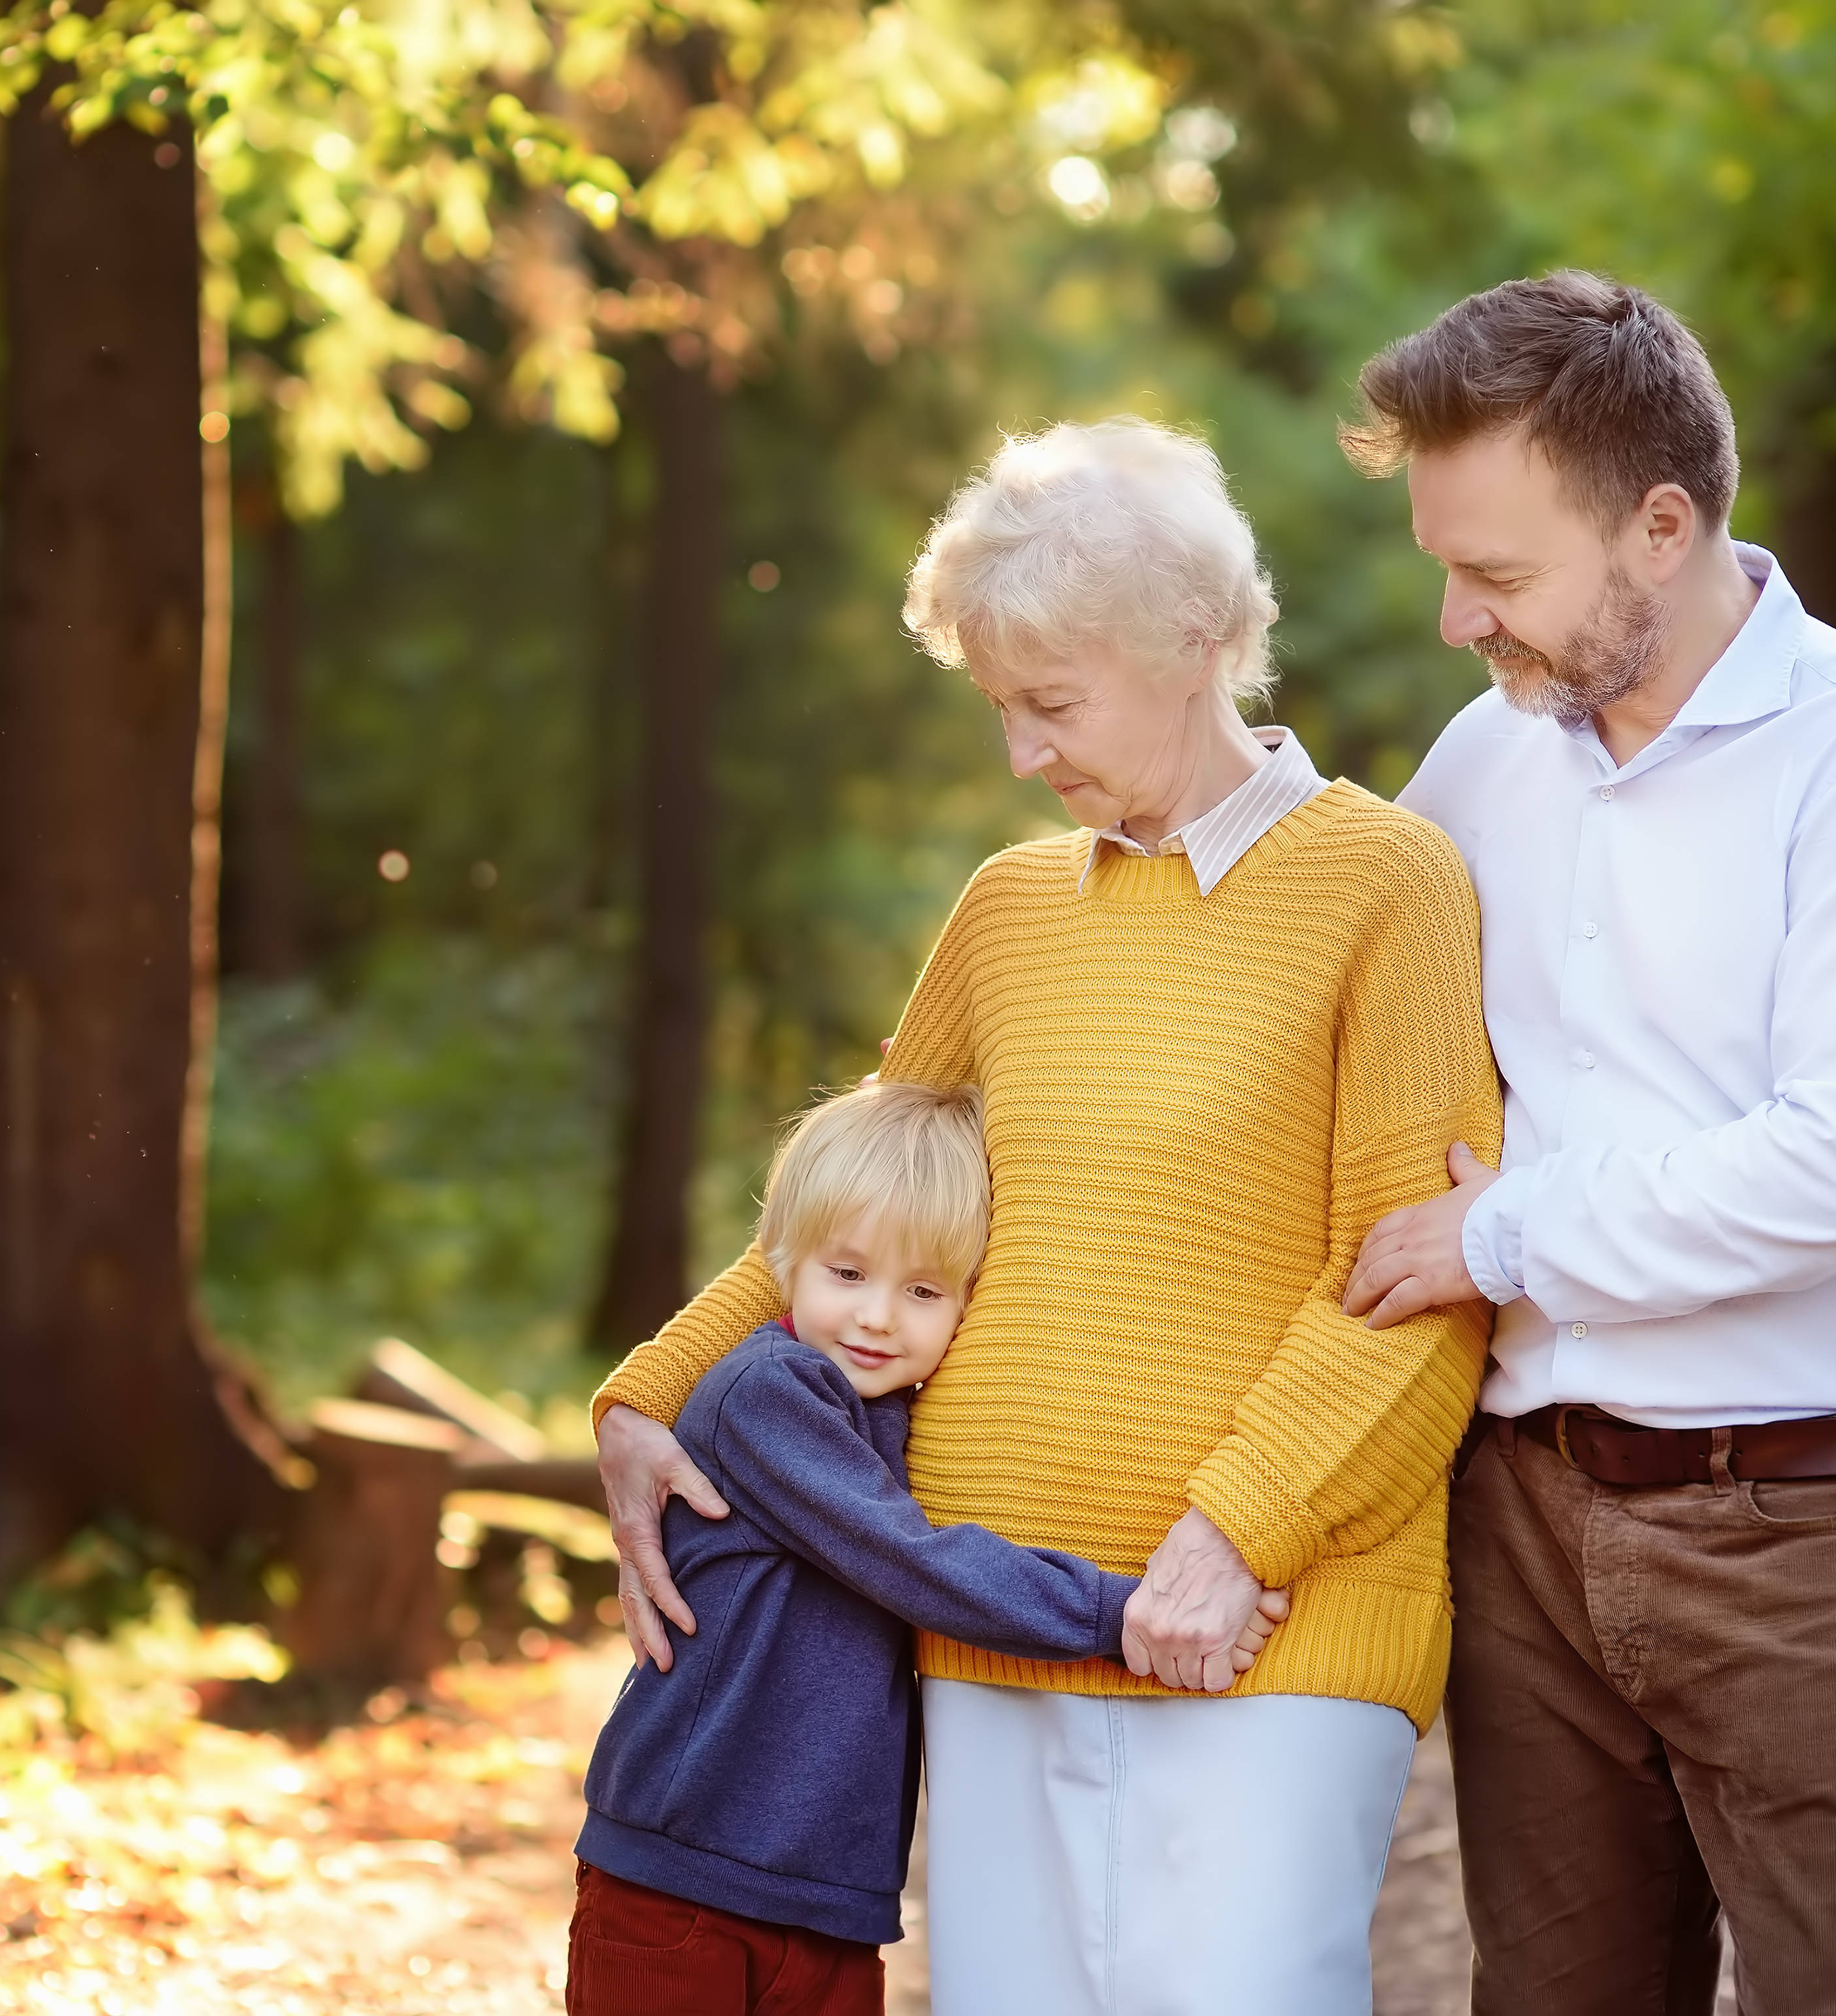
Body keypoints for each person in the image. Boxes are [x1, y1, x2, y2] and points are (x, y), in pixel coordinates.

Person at [594, 418, 1501, 2016]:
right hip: (986, 1628)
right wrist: (648, 1399)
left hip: (1269, 1634)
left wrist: (1234, 1540)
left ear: (1199, 644)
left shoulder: (1386, 884)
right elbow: (841, 1220)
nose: (1020, 754)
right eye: (998, 706)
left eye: (1051, 704)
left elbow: (1418, 1283)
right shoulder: (1009, 912)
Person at [1338, 271, 1836, 2015]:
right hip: (1522, 1523)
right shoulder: (1485, 759)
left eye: (1494, 573)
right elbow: (1344, 992)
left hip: (1810, 1529)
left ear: (1661, 526)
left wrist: (1503, 1239)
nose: (1454, 621)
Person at [566, 1078, 1286, 2015]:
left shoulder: (892, 1417)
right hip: (680, 1873)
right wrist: (1130, 1611)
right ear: (783, 1261)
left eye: (923, 1291)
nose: (876, 1318)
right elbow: (916, 1562)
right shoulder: (767, 1397)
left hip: (825, 1903)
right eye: (848, 1273)